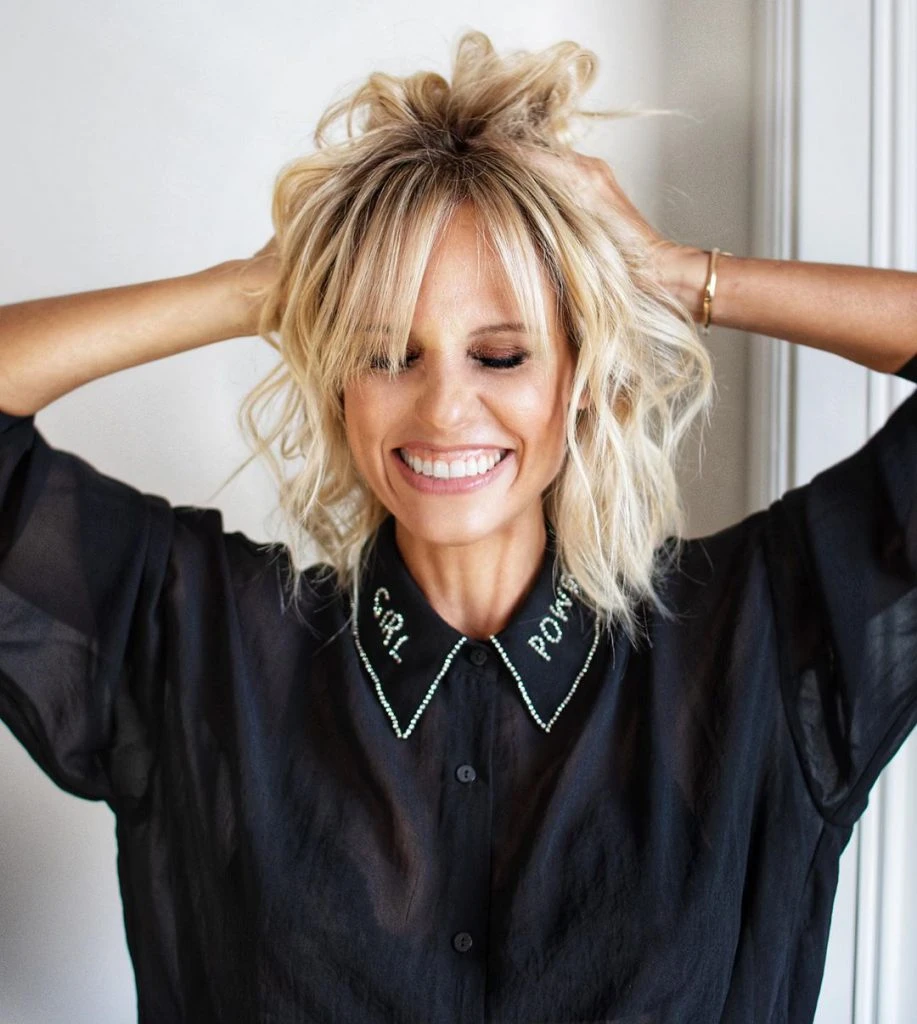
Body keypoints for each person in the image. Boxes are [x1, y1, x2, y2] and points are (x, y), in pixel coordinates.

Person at [0, 30, 914, 1024]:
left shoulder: (761, 641)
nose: (441, 410)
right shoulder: (195, 637)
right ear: (338, 383)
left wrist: (673, 274)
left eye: (501, 355)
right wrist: (260, 287)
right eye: (386, 353)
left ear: (580, 374)